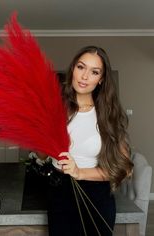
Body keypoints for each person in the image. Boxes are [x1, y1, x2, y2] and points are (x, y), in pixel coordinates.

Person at [36, 46, 134, 236]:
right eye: (81, 67)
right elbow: (41, 154)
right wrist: (38, 134)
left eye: (94, 72)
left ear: (101, 80)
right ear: (73, 69)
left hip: (96, 195)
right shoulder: (54, 109)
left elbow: (124, 169)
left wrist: (79, 172)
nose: (85, 76)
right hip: (59, 192)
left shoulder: (106, 116)